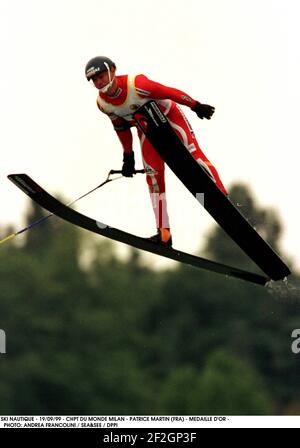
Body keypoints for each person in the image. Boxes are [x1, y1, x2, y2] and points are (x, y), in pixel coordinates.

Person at [85, 56, 227, 246]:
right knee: (153, 176)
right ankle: (164, 233)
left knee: (193, 153)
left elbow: (168, 92)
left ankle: (224, 200)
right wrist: (128, 157)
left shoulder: (136, 84)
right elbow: (121, 128)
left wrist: (195, 105)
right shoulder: (103, 104)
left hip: (170, 117)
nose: (99, 82)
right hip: (146, 129)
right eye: (94, 80)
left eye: (101, 76)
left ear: (113, 69)